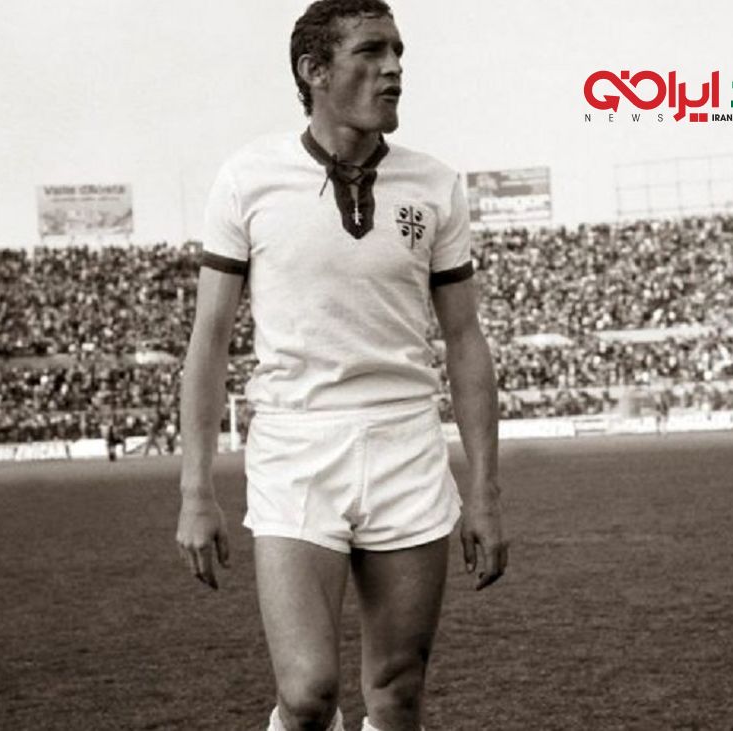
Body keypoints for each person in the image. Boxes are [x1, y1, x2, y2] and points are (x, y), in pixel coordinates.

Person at [175, 2, 508, 730]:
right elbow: (208, 342)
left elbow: (465, 339)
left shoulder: (435, 185)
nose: (394, 68)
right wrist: (196, 489)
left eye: (398, 52)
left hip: (406, 446)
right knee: (307, 693)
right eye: (371, 51)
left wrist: (484, 490)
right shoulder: (247, 179)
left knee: (397, 692)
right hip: (296, 447)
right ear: (314, 70)